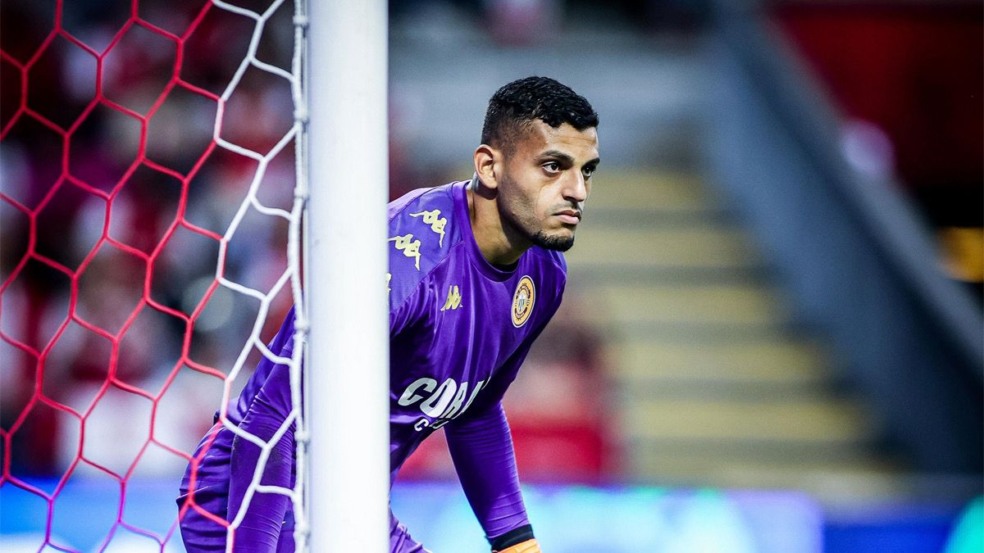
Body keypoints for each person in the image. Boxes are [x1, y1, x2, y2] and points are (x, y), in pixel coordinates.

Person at [176, 75, 600, 553]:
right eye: (552, 166)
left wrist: (515, 542)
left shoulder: (544, 274)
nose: (577, 191)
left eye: (586, 171)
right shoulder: (403, 261)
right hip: (248, 493)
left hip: (348, 500)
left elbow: (475, 409)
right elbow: (275, 416)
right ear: (489, 167)